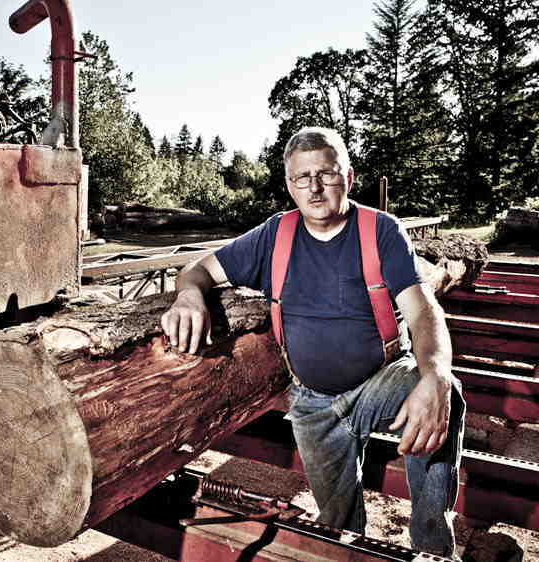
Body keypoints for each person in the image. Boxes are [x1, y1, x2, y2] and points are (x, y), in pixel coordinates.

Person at [160, 127, 465, 558]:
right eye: (302, 178)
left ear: (349, 178)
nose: (315, 188)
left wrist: (434, 372)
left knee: (443, 392)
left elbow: (421, 310)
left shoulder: (380, 231)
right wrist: (190, 294)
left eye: (326, 174)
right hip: (312, 403)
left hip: (378, 383)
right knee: (337, 525)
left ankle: (433, 545)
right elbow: (196, 270)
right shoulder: (274, 235)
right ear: (289, 185)